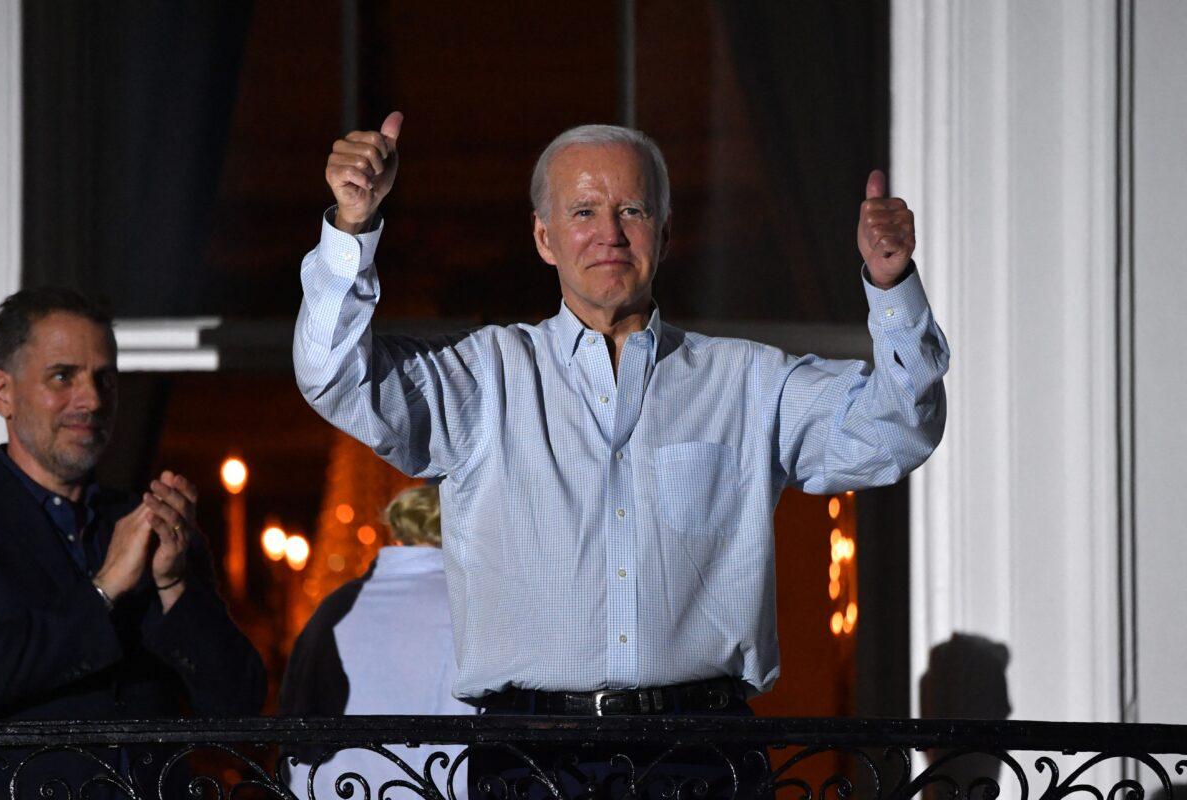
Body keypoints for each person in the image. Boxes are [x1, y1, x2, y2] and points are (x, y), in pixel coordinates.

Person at [294, 113, 948, 794]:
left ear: (663, 235)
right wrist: (351, 228)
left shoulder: (749, 382)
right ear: (544, 237)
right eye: (584, 211)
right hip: (527, 761)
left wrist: (893, 287)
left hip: (703, 758)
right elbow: (335, 376)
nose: (609, 233)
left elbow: (898, 431)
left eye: (631, 210)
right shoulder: (486, 378)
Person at [0, 288, 266, 795]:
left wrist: (175, 583)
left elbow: (239, 704)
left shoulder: (147, 522)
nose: (91, 399)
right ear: (2, 392)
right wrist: (103, 591)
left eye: (104, 378)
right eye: (62, 376)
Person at [280, 485, 470, 798]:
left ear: (398, 534)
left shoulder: (337, 607)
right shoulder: (473, 605)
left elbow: (297, 706)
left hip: (337, 788)